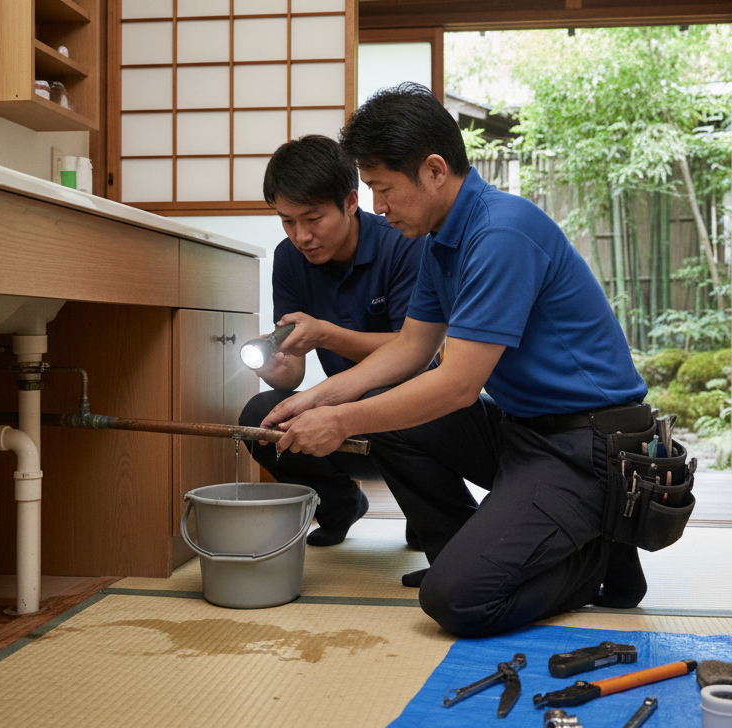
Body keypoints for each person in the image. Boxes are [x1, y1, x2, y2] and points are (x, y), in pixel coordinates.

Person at [261, 83, 650, 638]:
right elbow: (410, 349)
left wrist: (339, 421)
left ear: (435, 170)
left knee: (457, 602)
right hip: (524, 434)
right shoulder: (443, 239)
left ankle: (597, 551)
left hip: (585, 446)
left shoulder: (500, 233)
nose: (377, 206)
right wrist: (312, 399)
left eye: (383, 188)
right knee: (386, 414)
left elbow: (457, 386)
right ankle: (477, 549)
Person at [239, 135, 427, 548]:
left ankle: (425, 508)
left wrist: (326, 333)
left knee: (429, 540)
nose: (301, 235)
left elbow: (414, 350)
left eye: (312, 218)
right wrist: (275, 367)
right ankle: (340, 505)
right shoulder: (289, 258)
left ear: (350, 202)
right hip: (339, 408)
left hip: (411, 409)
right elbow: (292, 373)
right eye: (288, 221)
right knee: (261, 416)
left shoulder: (401, 243)